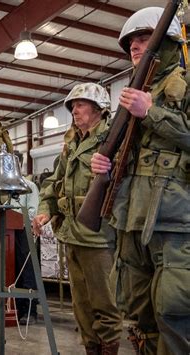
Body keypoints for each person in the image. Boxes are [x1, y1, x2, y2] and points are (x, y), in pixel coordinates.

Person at [90, 7, 190, 354]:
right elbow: (126, 152)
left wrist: (153, 113)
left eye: (144, 39)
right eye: (131, 42)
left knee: (174, 312)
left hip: (175, 221)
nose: (135, 46)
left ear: (170, 42)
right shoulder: (133, 92)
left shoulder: (184, 84)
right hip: (132, 218)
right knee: (138, 312)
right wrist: (104, 165)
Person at [32, 83, 122, 355]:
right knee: (81, 307)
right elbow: (53, 181)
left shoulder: (113, 138)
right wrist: (46, 208)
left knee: (104, 304)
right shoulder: (72, 143)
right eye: (72, 106)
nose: (74, 110)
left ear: (98, 108)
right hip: (71, 232)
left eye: (80, 105)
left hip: (98, 235)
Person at [11, 151, 40, 325]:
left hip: (24, 234)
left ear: (20, 164)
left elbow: (32, 212)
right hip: (7, 235)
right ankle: (13, 308)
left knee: (27, 272)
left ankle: (30, 311)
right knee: (12, 272)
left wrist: (14, 216)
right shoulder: (2, 187)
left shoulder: (29, 186)